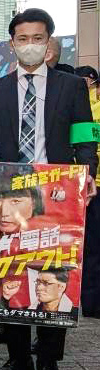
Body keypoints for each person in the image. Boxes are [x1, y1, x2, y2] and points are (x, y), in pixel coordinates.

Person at [0, 8, 98, 370]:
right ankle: (19, 358)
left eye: (37, 39)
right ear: (12, 45)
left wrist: (89, 174)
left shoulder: (71, 87)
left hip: (57, 193)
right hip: (11, 194)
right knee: (11, 272)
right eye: (22, 40)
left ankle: (49, 360)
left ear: (49, 44)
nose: (30, 46)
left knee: (56, 273)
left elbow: (84, 134)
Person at [75, 65, 100, 317]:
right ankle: (92, 303)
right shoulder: (85, 108)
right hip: (91, 185)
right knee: (92, 246)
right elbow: (84, 146)